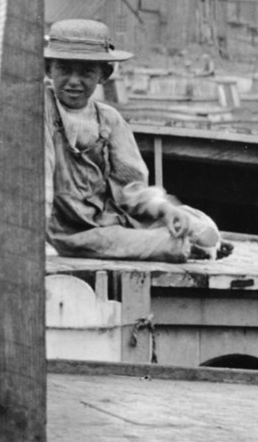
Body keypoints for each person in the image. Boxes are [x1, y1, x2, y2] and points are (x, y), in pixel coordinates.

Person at [44, 19, 230, 261]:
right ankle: (184, 247)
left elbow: (132, 189)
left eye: (87, 72)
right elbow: (42, 184)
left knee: (195, 221)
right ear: (49, 70)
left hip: (114, 218)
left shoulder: (110, 120)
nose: (74, 81)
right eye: (64, 70)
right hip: (76, 232)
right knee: (143, 243)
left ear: (104, 74)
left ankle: (195, 240)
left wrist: (166, 210)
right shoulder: (41, 110)